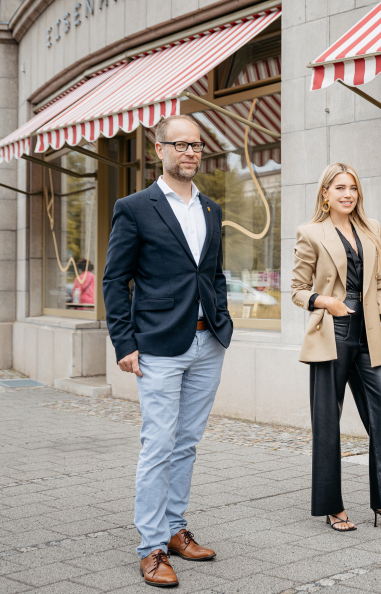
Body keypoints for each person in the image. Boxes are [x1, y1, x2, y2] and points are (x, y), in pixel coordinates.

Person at [104, 114, 233, 587]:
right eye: (180, 145)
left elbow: (213, 272)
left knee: (187, 442)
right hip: (158, 344)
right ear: (158, 150)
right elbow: (116, 279)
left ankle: (176, 529)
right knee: (158, 444)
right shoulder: (134, 207)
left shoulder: (212, 209)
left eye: (197, 145)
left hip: (207, 341)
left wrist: (222, 318)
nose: (190, 152)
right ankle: (152, 548)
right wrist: (125, 341)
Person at [291, 163, 381, 533]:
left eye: (353, 188)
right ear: (325, 194)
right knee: (328, 424)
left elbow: (380, 283)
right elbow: (297, 290)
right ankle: (333, 507)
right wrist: (325, 302)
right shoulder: (310, 232)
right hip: (333, 334)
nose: (348, 194)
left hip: (370, 337)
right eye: (340, 188)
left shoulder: (371, 229)